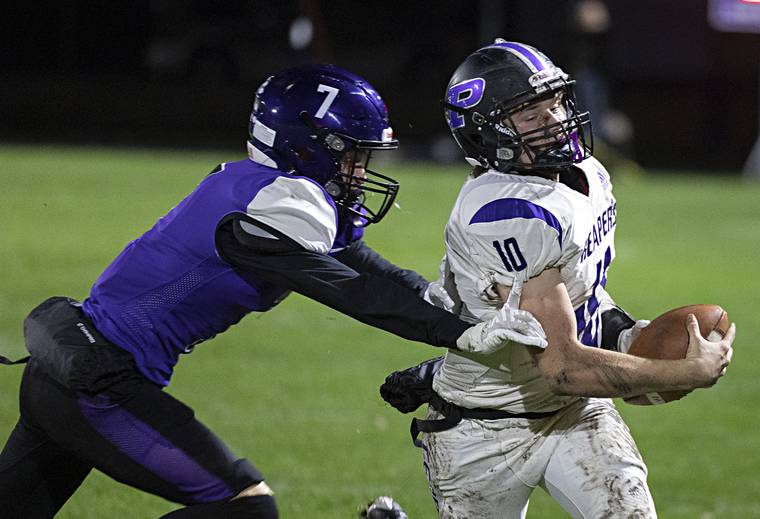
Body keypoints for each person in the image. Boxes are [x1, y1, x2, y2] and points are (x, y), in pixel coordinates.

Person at [0, 64, 546, 519]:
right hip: (97, 386)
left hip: (66, 365)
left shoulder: (259, 188)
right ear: (309, 148)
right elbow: (349, 291)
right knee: (245, 508)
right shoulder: (274, 206)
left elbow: (361, 265)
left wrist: (435, 298)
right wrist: (463, 331)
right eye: (353, 156)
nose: (360, 172)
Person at [383, 41, 736, 518]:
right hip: (486, 426)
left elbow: (581, 292)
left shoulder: (585, 174)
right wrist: (683, 371)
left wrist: (625, 333)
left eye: (553, 103)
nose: (553, 120)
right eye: (530, 115)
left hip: (575, 412)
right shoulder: (503, 210)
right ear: (487, 134)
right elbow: (564, 366)